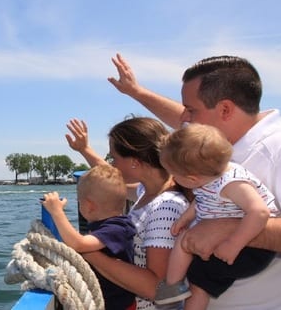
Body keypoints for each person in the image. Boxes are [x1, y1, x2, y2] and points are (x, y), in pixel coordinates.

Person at [108, 53, 281, 309]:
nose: (184, 119)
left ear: (225, 109)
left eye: (191, 110)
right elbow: (179, 118)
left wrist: (229, 228)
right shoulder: (212, 147)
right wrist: (136, 92)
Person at [60, 116, 189, 310]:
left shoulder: (166, 207)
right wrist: (84, 150)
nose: (112, 165)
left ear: (135, 162)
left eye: (114, 158)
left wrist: (88, 251)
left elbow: (157, 287)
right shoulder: (146, 191)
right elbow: (110, 183)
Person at [154, 123, 280, 309]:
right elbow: (203, 199)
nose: (172, 179)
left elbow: (260, 212)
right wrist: (185, 218)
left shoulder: (232, 184)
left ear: (191, 179)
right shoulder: (209, 179)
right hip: (236, 240)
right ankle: (173, 286)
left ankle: (172, 287)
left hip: (252, 247)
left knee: (199, 282)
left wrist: (234, 244)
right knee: (186, 243)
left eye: (174, 175)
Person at [42, 164, 137, 310]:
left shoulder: (117, 228)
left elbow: (79, 244)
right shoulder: (112, 225)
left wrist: (57, 212)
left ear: (89, 206)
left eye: (79, 201)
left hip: (117, 305)